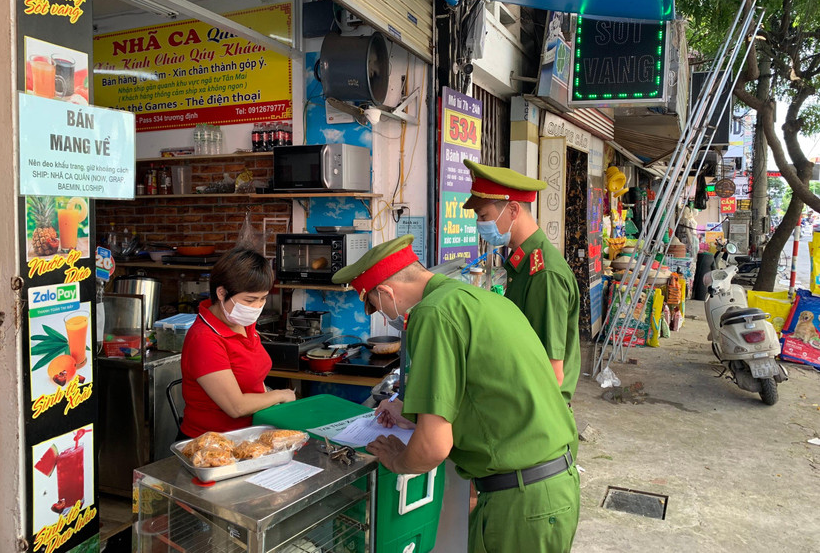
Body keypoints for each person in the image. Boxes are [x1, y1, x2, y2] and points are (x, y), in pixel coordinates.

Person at [332, 235, 580, 553]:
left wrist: (398, 459)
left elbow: (433, 447)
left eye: (376, 306)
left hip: (520, 503)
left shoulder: (433, 313)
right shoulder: (480, 299)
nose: (383, 316)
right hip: (552, 487)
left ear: (385, 292)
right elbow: (483, 393)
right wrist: (410, 412)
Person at [463, 160, 581, 405]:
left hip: (537, 414)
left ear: (513, 210)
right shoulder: (522, 264)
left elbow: (552, 372)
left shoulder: (543, 273)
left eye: (484, 216)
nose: (479, 225)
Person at [179, 247, 295, 439]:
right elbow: (236, 406)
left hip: (249, 433)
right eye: (250, 300)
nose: (257, 306)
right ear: (222, 293)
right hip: (211, 442)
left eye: (263, 299)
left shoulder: (243, 323)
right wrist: (280, 395)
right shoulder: (204, 339)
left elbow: (251, 378)